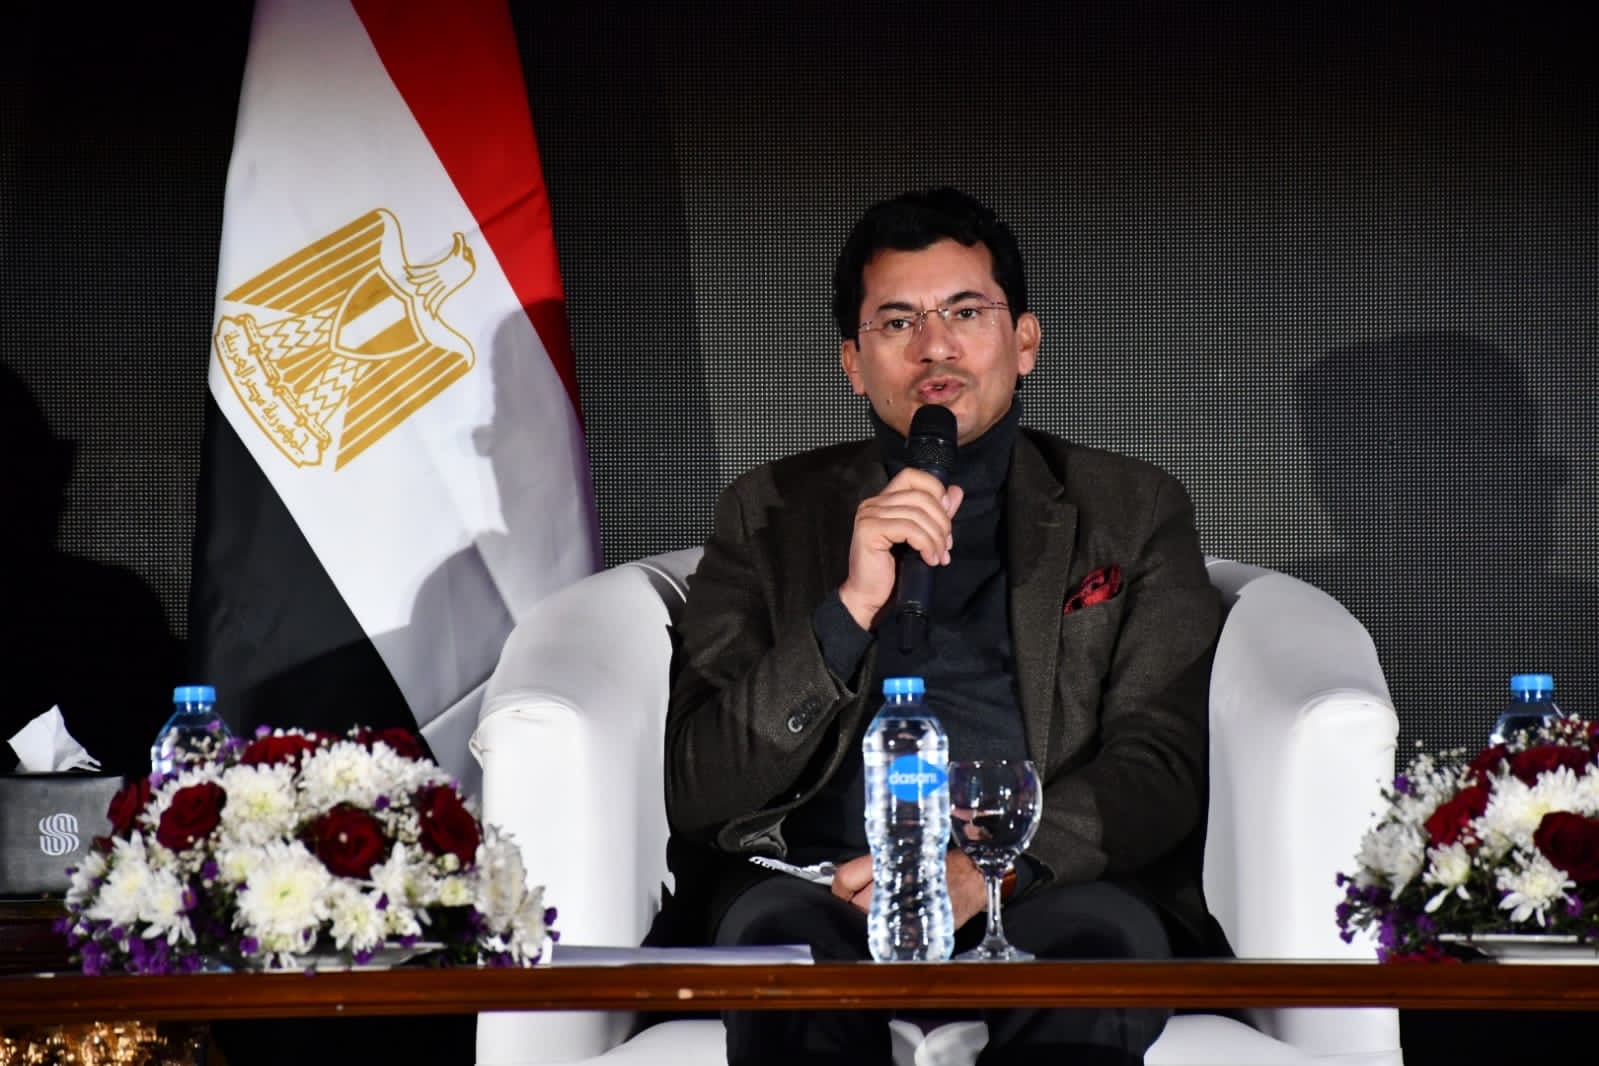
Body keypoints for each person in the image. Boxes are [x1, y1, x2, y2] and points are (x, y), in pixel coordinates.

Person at [649, 187, 1230, 1066]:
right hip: (824, 886)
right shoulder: (767, 511)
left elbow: (1160, 765)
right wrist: (849, 608)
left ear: (1023, 341)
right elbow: (700, 787)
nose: (934, 346)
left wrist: (985, 873)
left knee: (1098, 960)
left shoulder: (1129, 508)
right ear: (853, 363)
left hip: (1047, 883)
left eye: (965, 312)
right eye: (896, 322)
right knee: (783, 977)